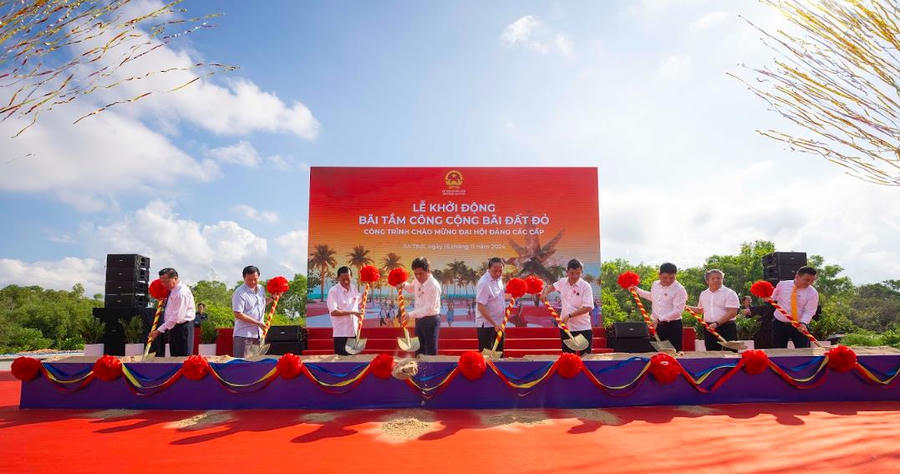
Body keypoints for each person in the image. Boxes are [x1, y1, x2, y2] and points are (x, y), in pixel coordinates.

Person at [631, 262, 687, 351]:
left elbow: (678, 311)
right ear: (659, 275)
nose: (668, 281)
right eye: (665, 278)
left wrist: (659, 320)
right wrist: (636, 289)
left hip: (672, 326)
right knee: (655, 352)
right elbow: (652, 297)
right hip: (656, 326)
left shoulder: (680, 289)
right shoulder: (655, 284)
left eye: (672, 278)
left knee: (672, 353)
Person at [544, 259, 594, 355]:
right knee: (568, 357)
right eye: (572, 273)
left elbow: (588, 307)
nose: (575, 276)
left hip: (582, 328)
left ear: (581, 272)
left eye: (578, 273)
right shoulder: (563, 282)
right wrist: (545, 293)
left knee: (586, 358)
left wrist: (569, 316)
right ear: (567, 272)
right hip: (566, 328)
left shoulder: (585, 286)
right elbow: (553, 287)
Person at [687, 269, 740, 352]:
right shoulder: (703, 294)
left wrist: (716, 323)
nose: (716, 280)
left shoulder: (730, 293)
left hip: (727, 328)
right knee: (712, 353)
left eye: (719, 278)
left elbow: (732, 312)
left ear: (722, 279)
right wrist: (685, 306)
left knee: (730, 354)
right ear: (707, 281)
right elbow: (700, 310)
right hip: (709, 328)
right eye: (713, 278)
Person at [397, 257, 441, 356]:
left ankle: (431, 366)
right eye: (415, 274)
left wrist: (410, 314)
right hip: (419, 319)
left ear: (428, 271)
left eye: (421, 273)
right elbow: (411, 288)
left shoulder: (434, 286)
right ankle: (419, 366)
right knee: (419, 349)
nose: (418, 277)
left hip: (431, 320)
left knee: (430, 350)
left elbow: (428, 308)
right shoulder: (417, 280)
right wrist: (403, 284)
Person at [148, 268, 196, 356]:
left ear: (175, 278)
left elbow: (176, 317)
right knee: (174, 357)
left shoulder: (181, 293)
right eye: (162, 282)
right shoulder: (172, 291)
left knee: (182, 358)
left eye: (166, 281)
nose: (164, 284)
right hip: (173, 328)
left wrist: (158, 331)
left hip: (182, 328)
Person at [771, 266, 819, 349]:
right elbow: (773, 297)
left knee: (804, 352)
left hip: (799, 325)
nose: (809, 283)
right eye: (807, 280)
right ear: (797, 276)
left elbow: (809, 311)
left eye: (812, 281)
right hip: (779, 324)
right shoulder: (782, 284)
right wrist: (766, 297)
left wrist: (803, 323)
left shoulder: (813, 293)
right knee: (778, 352)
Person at [231, 265, 269, 358]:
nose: (252, 282)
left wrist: (273, 297)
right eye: (249, 280)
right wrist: (258, 323)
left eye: (255, 279)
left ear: (259, 277)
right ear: (244, 278)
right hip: (244, 335)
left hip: (258, 335)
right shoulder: (239, 293)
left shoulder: (261, 289)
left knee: (256, 363)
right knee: (243, 363)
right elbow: (238, 314)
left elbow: (262, 303)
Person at [327, 266, 362, 355]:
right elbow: (333, 312)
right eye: (343, 279)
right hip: (341, 334)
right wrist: (353, 313)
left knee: (354, 359)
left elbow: (359, 302)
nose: (346, 282)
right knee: (341, 360)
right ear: (338, 278)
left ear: (351, 277)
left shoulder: (354, 289)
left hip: (354, 332)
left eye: (348, 279)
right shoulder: (333, 291)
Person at [475, 257, 507, 353]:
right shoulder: (484, 283)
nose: (497, 274)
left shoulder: (499, 279)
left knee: (499, 354)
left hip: (499, 324)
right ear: (489, 269)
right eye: (495, 271)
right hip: (487, 325)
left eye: (500, 271)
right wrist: (494, 324)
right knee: (487, 355)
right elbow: (480, 307)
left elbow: (498, 297)